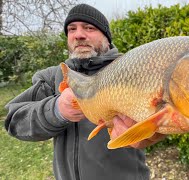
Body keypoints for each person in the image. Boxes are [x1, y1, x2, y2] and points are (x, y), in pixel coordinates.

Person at [4, 4, 165, 180]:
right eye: (72, 29)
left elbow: (161, 115)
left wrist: (151, 134)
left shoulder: (132, 68)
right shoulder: (53, 77)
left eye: (89, 28)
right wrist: (57, 110)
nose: (78, 35)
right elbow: (14, 121)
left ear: (106, 37)